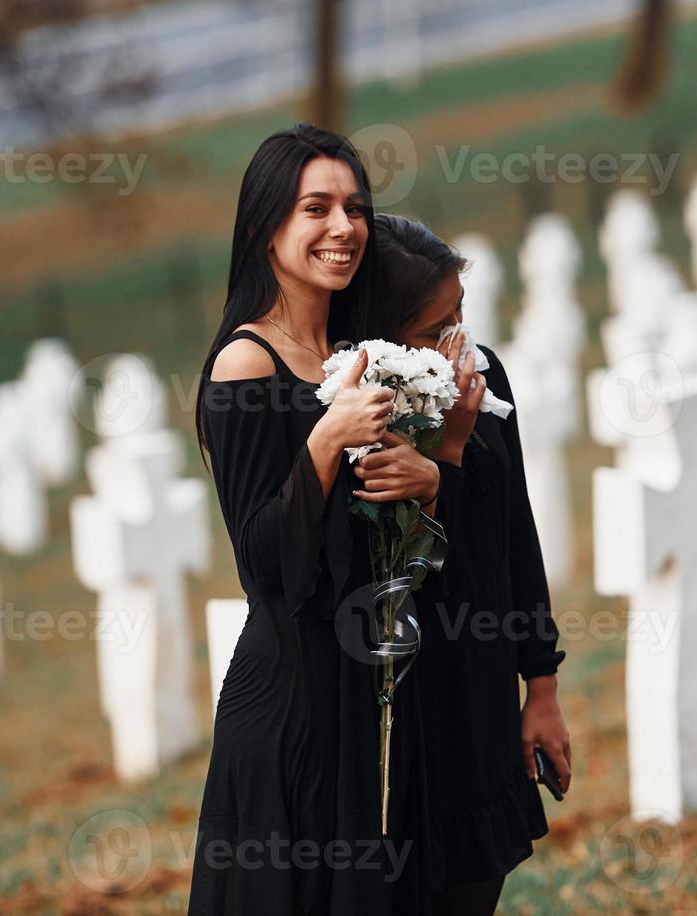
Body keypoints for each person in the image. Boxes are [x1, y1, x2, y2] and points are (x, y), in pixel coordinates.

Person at [189, 127, 443, 914]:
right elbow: (265, 569)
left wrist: (426, 477)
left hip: (350, 688)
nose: (344, 227)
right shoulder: (245, 365)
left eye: (356, 208)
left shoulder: (352, 352)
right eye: (317, 208)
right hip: (287, 698)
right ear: (268, 228)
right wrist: (327, 438)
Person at [361, 214, 572, 916]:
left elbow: (516, 534)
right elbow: (398, 563)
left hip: (480, 689)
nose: (457, 344)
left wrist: (539, 687)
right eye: (433, 330)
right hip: (409, 708)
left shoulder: (482, 376)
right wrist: (444, 453)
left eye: (462, 316)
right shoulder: (361, 414)